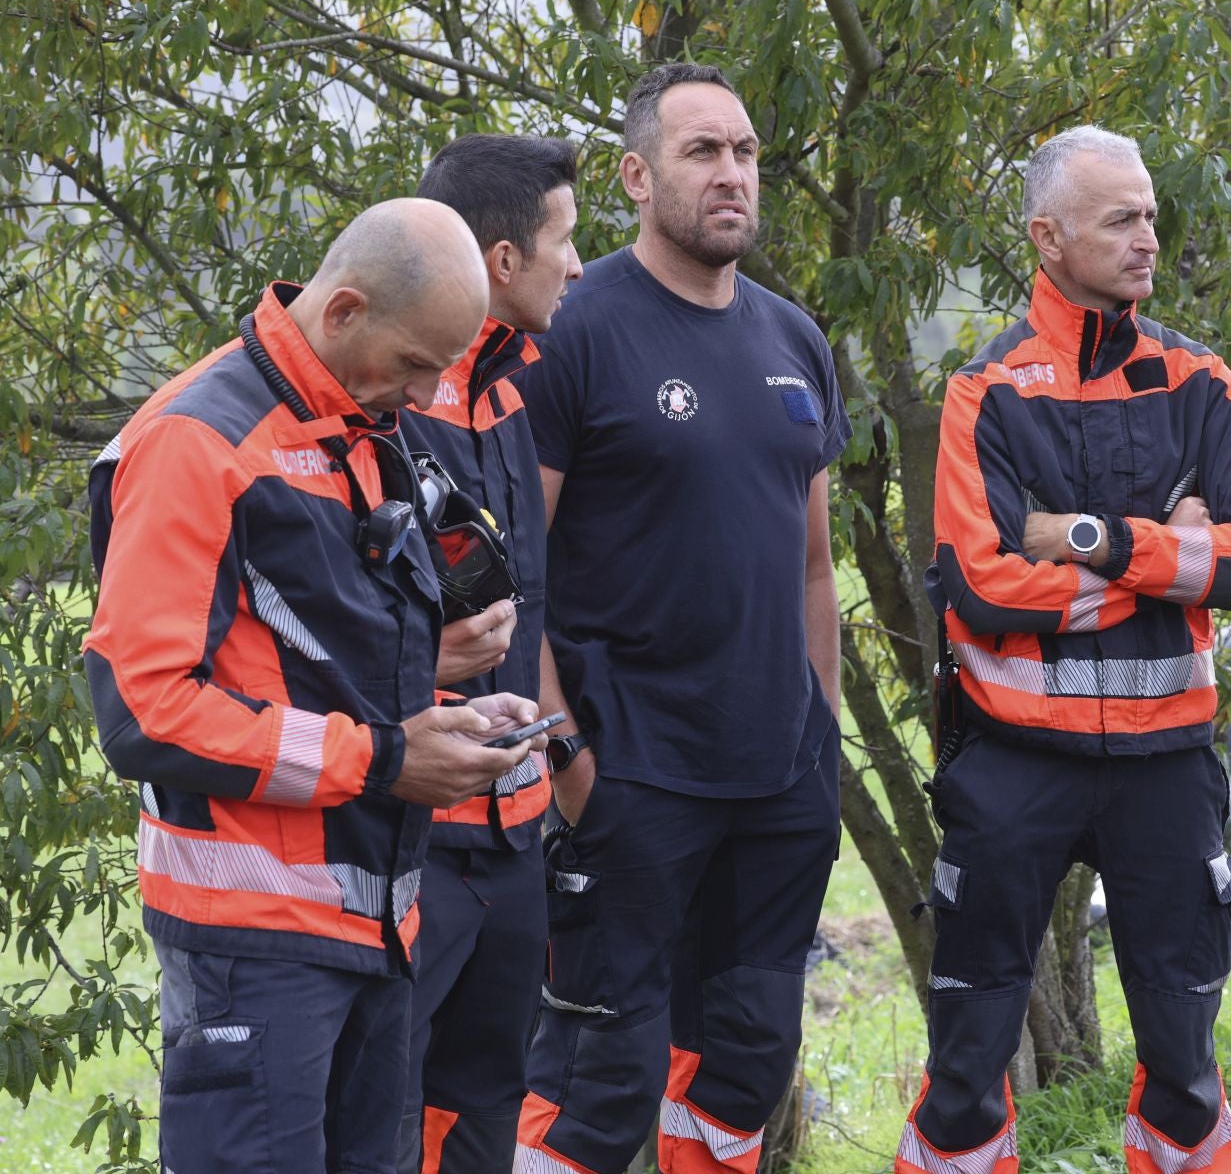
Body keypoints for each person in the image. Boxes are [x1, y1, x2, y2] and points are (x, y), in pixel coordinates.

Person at [84, 198, 548, 1174]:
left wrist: (449, 718)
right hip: (250, 941)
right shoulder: (196, 440)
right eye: (419, 363)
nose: (428, 397)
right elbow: (144, 707)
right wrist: (387, 757)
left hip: (376, 922)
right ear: (341, 311)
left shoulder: (365, 423)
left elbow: (314, 669)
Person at [893, 126, 1231, 1174]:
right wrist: (1167, 553)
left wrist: (1097, 540)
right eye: (1123, 217)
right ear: (1048, 236)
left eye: (1151, 212)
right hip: (1014, 762)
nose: (1149, 235)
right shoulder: (987, 391)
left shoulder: (1203, 381)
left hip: (1167, 765)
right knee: (968, 1067)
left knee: (1187, 1068)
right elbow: (980, 587)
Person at [511, 63, 848, 1174]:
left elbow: (811, 564)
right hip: (632, 775)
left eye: (746, 152)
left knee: (746, 1057)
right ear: (637, 174)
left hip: (778, 777)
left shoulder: (796, 339)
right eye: (704, 152)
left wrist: (823, 738)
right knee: (600, 1081)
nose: (733, 174)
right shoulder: (577, 329)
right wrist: (568, 757)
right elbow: (521, 570)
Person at [395, 136, 584, 1173]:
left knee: (485, 1112)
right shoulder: (387, 407)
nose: (581, 265)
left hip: (515, 839)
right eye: (566, 240)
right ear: (502, 262)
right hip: (415, 841)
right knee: (385, 1108)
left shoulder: (513, 394)